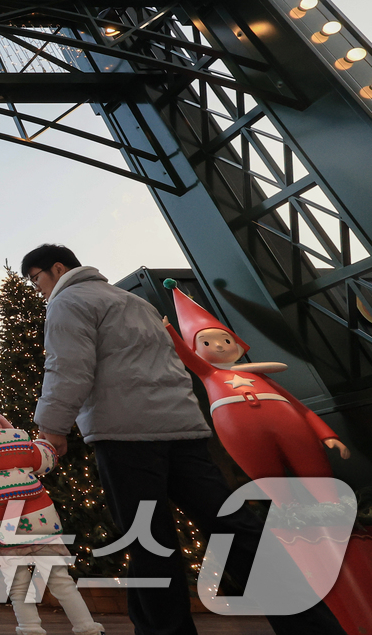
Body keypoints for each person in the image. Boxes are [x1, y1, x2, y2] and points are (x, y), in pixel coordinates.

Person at [23, 243, 346, 635]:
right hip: (182, 430)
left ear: (58, 269)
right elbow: (172, 366)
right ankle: (314, 627)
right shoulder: (134, 302)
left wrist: (52, 427)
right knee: (235, 529)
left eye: (36, 278)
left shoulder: (68, 302)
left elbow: (68, 368)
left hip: (125, 435)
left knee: (149, 541)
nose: (37, 288)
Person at [0, 387, 104, 634]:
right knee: (60, 580)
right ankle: (87, 628)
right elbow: (45, 460)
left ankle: (30, 629)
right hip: (39, 520)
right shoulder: (15, 438)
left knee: (18, 586)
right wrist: (44, 442)